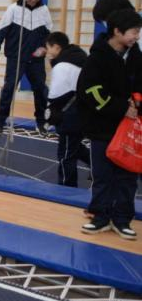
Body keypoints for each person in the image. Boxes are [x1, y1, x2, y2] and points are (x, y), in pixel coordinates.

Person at [76, 8, 142, 240]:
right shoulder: (97, 58)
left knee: (127, 176)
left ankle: (122, 218)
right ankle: (100, 216)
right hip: (102, 128)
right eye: (133, 31)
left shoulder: (136, 56)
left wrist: (136, 102)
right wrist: (121, 106)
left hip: (129, 128)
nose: (136, 36)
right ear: (117, 31)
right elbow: (89, 90)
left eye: (138, 31)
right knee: (103, 175)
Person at [0, 0, 53, 136]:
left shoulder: (44, 10)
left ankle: (41, 123)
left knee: (40, 90)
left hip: (36, 59)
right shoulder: (13, 9)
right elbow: (2, 29)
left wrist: (44, 47)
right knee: (9, 89)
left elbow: (48, 33)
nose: (33, 0)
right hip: (16, 58)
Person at [45, 32, 89, 187]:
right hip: (83, 110)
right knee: (74, 146)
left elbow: (56, 94)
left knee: (66, 154)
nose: (48, 52)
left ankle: (67, 187)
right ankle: (97, 165)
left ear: (56, 47)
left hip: (72, 115)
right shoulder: (78, 56)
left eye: (49, 48)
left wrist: (50, 112)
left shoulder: (63, 66)